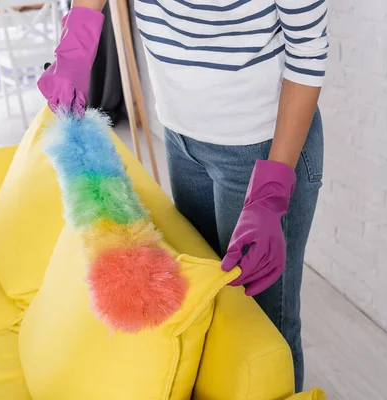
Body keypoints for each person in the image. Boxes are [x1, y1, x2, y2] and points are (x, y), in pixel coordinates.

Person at [38, 0, 327, 392]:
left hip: (261, 151)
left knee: (261, 331)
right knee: (205, 309)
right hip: (180, 135)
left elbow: (307, 51)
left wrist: (271, 195)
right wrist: (75, 45)